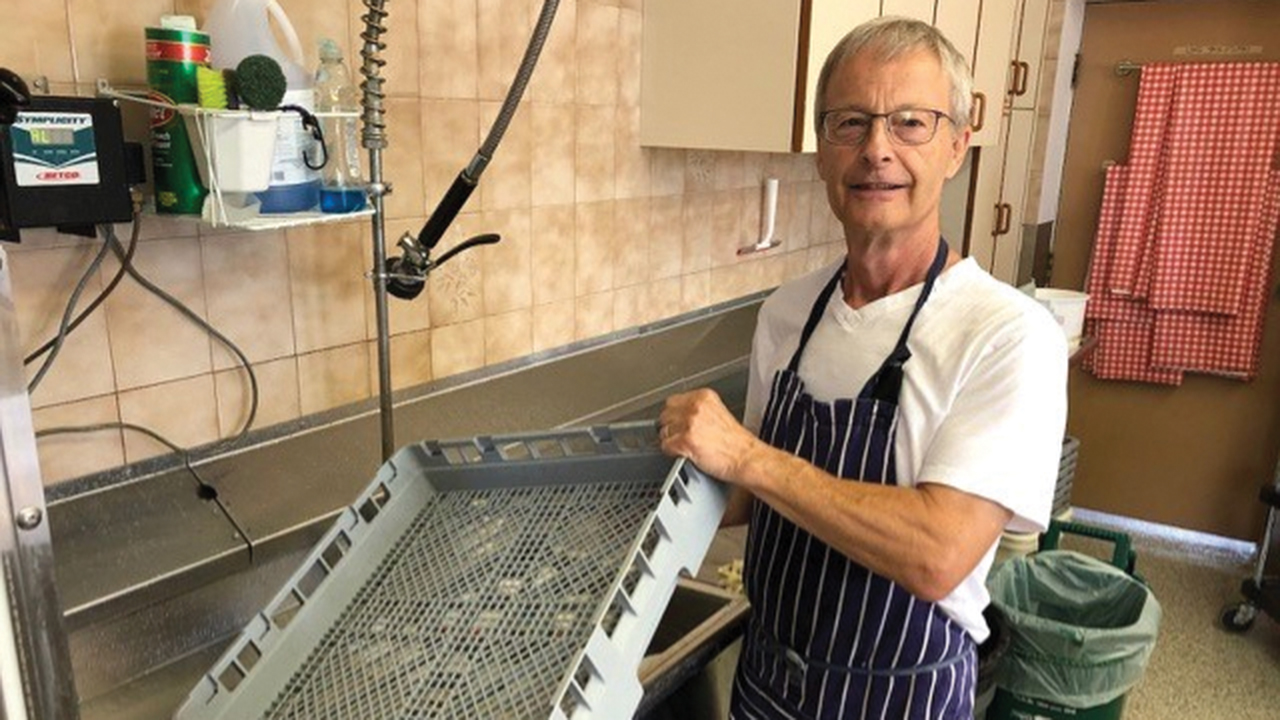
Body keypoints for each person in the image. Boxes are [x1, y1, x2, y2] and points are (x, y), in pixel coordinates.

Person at [657, 16, 1068, 720]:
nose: (876, 150)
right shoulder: (787, 313)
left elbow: (937, 553)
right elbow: (748, 496)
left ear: (957, 147)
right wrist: (646, 493)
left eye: (911, 122)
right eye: (850, 123)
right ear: (822, 151)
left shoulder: (1006, 336)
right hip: (767, 683)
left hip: (899, 699)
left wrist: (749, 457)